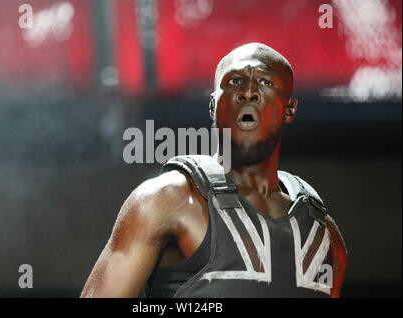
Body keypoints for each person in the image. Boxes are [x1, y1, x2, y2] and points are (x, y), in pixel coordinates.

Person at [80, 43, 347, 298]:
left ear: (290, 108)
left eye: (266, 82)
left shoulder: (324, 234)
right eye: (234, 81)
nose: (248, 92)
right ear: (213, 105)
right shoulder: (165, 200)